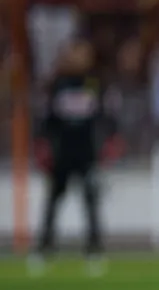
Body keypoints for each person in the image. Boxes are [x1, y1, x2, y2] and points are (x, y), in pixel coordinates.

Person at [30, 38, 115, 275]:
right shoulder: (58, 84)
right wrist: (43, 145)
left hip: (87, 153)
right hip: (62, 154)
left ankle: (94, 249)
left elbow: (107, 116)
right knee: (53, 202)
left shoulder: (95, 83)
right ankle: (44, 248)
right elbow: (46, 120)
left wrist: (110, 142)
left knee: (91, 202)